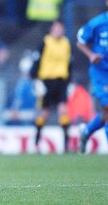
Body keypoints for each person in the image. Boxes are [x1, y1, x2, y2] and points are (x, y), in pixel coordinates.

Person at [76, 0, 108, 168]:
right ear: (107, 2)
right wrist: (91, 55)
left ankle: (87, 131)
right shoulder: (97, 23)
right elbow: (80, 41)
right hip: (101, 73)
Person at [30, 20, 72, 152]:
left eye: (61, 28)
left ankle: (66, 144)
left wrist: (70, 81)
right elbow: (36, 61)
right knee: (44, 113)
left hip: (61, 81)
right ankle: (36, 142)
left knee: (63, 110)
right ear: (51, 29)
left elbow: (70, 63)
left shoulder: (66, 43)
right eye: (56, 28)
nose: (59, 31)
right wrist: (35, 79)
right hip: (46, 81)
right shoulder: (45, 42)